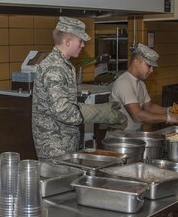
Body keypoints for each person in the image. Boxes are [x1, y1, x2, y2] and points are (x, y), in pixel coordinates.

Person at [32, 17, 127, 160]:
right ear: (67, 41)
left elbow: (68, 105)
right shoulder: (54, 67)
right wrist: (101, 113)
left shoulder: (63, 64)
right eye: (80, 41)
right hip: (54, 146)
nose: (83, 45)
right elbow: (63, 111)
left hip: (64, 143)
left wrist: (101, 110)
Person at [110, 44, 178, 132]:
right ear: (136, 62)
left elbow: (149, 106)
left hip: (134, 135)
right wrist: (167, 118)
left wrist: (169, 110)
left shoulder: (140, 83)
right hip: (120, 138)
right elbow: (137, 116)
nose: (151, 71)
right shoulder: (124, 83)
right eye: (149, 66)